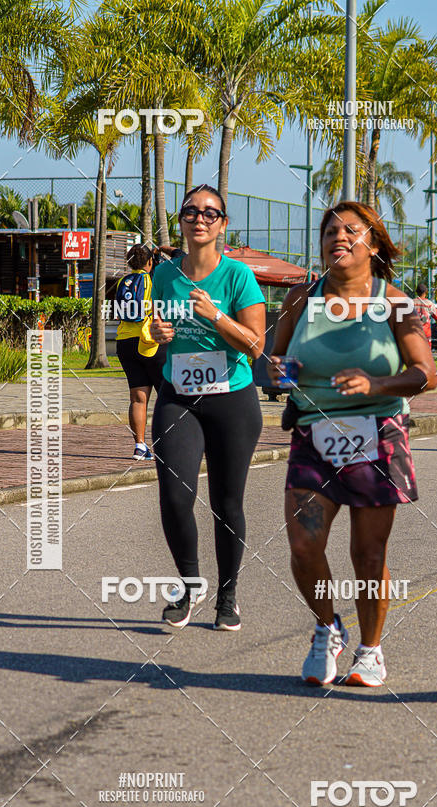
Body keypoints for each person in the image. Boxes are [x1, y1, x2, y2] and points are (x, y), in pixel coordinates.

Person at [268, 201, 437, 685]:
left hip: (378, 435)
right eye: (329, 231)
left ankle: (371, 650)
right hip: (313, 434)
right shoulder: (300, 300)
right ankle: (327, 629)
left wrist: (376, 385)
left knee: (368, 556)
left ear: (375, 244)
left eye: (351, 231)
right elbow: (271, 364)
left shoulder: (396, 302)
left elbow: (426, 374)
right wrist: (277, 374)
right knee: (303, 545)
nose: (338, 237)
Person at [149, 185, 265, 630]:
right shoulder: (164, 275)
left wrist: (215, 315)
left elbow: (256, 345)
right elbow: (163, 339)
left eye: (210, 213)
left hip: (232, 399)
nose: (200, 219)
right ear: (180, 220)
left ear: (222, 224)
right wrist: (159, 336)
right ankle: (190, 586)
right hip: (178, 396)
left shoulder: (237, 276)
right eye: (191, 212)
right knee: (175, 496)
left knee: (227, 503)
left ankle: (228, 596)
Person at [116, 244, 167, 460]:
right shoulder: (153, 280)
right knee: (167, 395)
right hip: (149, 341)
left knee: (138, 398)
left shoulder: (122, 281)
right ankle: (168, 445)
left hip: (124, 342)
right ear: (149, 262)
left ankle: (140, 445)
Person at [412, 282, 437, 347]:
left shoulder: (411, 302)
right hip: (425, 333)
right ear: (426, 292)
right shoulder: (429, 303)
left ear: (416, 292)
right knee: (426, 351)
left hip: (413, 332)